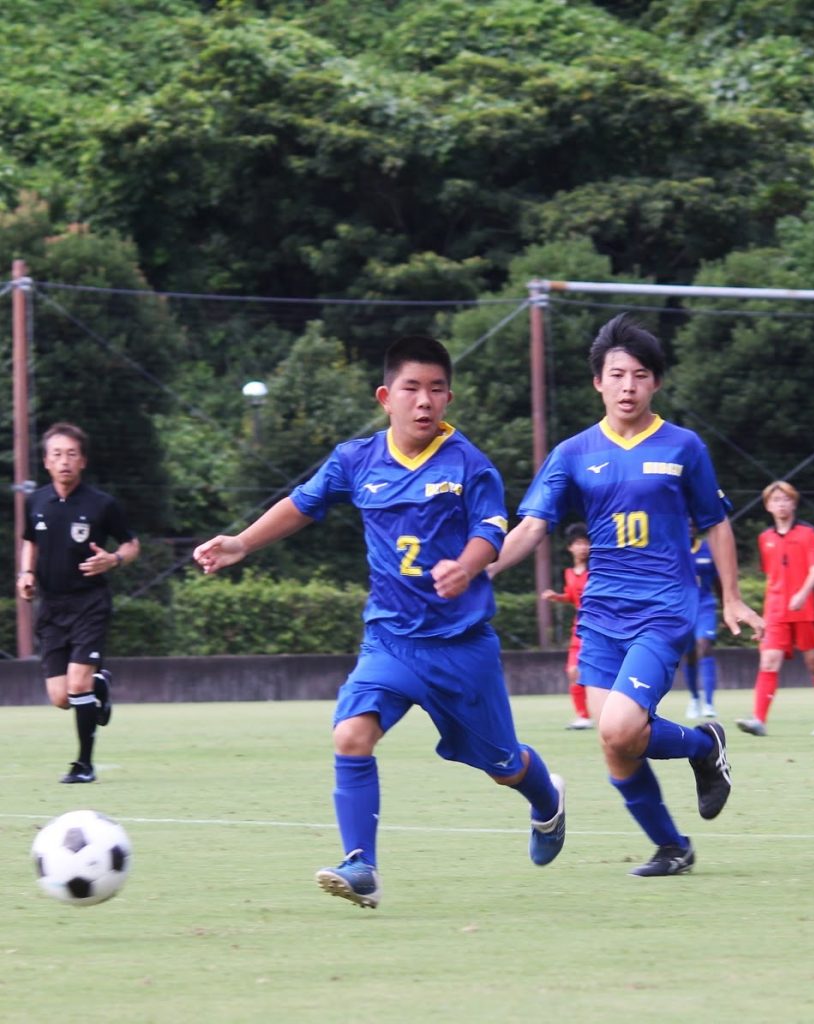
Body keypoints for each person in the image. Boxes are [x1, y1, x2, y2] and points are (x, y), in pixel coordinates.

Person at [193, 335, 567, 910]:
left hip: (461, 647)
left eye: (436, 389)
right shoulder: (354, 460)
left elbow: (490, 533)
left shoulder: (471, 464)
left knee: (502, 764)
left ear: (448, 398)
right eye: (412, 389)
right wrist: (242, 542)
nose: (424, 401)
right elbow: (301, 503)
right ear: (385, 397)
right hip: (391, 641)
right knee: (351, 734)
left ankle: (547, 802)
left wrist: (466, 568)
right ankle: (361, 865)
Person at [490, 314, 762, 878]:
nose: (628, 386)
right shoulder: (573, 453)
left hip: (665, 606)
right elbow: (534, 527)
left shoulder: (683, 446)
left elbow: (716, 523)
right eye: (617, 374)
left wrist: (731, 598)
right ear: (598, 381)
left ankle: (700, 747)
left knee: (618, 726)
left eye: (641, 375)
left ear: (655, 383)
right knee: (618, 744)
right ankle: (672, 846)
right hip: (602, 610)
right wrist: (482, 568)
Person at [18, 422, 139, 784]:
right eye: (57, 454)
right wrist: (25, 574)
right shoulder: (36, 501)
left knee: (77, 684)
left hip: (90, 602)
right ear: (46, 461)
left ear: (83, 460)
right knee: (60, 696)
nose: (64, 461)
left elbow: (132, 545)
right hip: (51, 606)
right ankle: (101, 685)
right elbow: (29, 542)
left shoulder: (102, 504)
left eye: (71, 454)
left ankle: (84, 765)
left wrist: (113, 560)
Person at [736, 480, 814, 738]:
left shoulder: (807, 533)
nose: (781, 504)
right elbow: (771, 575)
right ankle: (759, 720)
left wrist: (803, 594)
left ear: (794, 503)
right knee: (769, 661)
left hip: (807, 610)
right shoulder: (765, 538)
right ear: (768, 506)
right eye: (776, 500)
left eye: (786, 500)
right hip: (776, 611)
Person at [541, 522, 594, 730]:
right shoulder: (569, 573)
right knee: (572, 671)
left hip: (599, 627)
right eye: (578, 543)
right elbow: (574, 598)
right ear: (570, 547)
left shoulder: (598, 569)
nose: (582, 547)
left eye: (586, 543)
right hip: (579, 628)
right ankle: (583, 716)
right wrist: (557, 597)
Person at [682, 528, 722, 720]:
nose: (689, 527)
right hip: (681, 608)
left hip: (705, 606)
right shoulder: (672, 548)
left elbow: (717, 581)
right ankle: (694, 698)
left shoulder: (708, 549)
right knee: (689, 655)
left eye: (692, 523)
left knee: (704, 645)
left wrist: (727, 606)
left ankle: (709, 702)